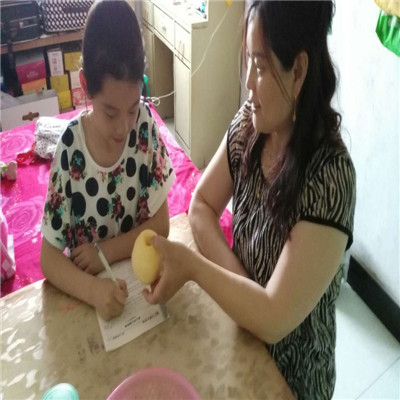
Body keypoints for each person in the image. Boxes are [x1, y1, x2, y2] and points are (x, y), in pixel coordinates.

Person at [144, 1, 356, 398]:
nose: (248, 82)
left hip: (290, 379)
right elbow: (201, 206)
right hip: (238, 335)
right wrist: (242, 291)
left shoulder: (330, 177)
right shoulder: (251, 124)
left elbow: (273, 319)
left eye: (259, 66)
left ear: (299, 71)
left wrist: (196, 268)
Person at [40, 0, 175, 321]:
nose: (123, 127)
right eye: (110, 113)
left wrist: (105, 252)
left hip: (136, 290)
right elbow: (48, 259)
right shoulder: (70, 150)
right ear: (86, 86)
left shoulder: (144, 127)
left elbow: (162, 225)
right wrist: (92, 290)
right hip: (91, 301)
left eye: (132, 108)